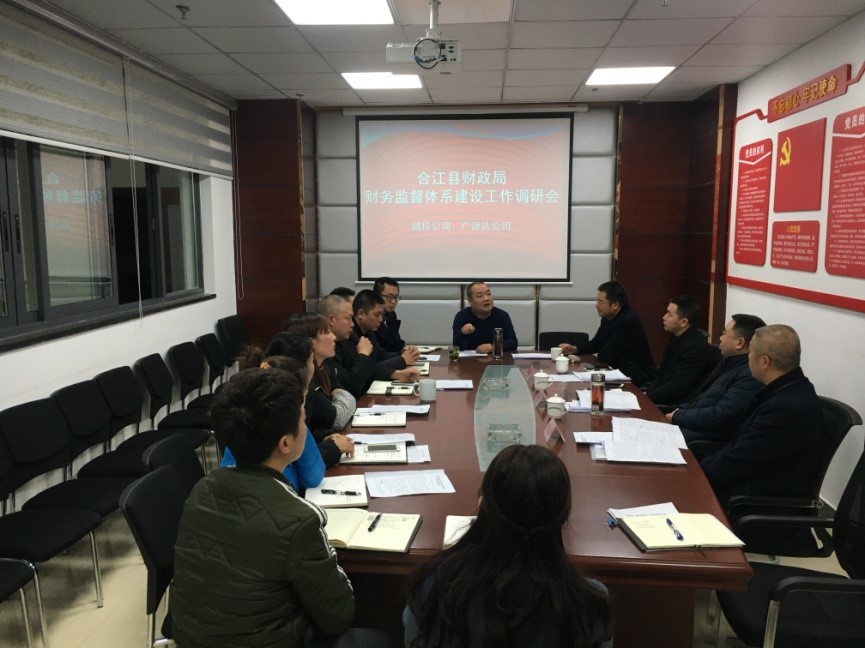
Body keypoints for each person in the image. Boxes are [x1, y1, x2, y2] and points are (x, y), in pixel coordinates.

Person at [170, 368, 358, 647]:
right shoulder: (300, 520)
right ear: (285, 443)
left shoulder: (202, 489)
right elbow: (338, 616)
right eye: (303, 419)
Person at [403, 444, 612, 648]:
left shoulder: (433, 587)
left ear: (483, 504)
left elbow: (413, 637)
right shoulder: (588, 606)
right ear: (562, 517)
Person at [700, 325, 828, 506]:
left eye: (750, 352)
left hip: (752, 502)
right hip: (747, 485)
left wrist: (697, 471)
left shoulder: (785, 409)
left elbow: (736, 464)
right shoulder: (792, 388)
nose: (748, 357)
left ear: (764, 361)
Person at [219, 352, 325, 493]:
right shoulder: (276, 479)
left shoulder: (242, 432)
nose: (304, 413)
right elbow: (313, 477)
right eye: (302, 404)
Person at [666, 314, 765, 454]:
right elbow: (702, 399)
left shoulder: (749, 376)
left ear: (739, 343)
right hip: (690, 427)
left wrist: (679, 416)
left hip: (701, 439)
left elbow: (721, 416)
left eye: (724, 333)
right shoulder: (727, 362)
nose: (720, 338)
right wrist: (680, 411)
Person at [283, 313, 357, 467]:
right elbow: (335, 418)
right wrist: (332, 448)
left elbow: (312, 429)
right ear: (310, 343)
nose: (333, 337)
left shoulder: (323, 368)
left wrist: (325, 437)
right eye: (326, 332)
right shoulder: (304, 386)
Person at [318, 293, 418, 398]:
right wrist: (363, 355)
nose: (352, 324)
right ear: (331, 319)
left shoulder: (347, 338)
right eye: (348, 318)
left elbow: (370, 369)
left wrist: (395, 373)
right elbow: (351, 388)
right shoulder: (327, 350)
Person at [559, 281, 656, 387]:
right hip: (619, 374)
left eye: (600, 302)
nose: (596, 305)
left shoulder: (627, 321)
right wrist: (574, 349)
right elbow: (596, 343)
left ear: (615, 305)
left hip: (637, 380)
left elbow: (605, 356)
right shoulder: (608, 317)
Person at [645, 295, 720, 405]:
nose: (664, 317)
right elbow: (663, 377)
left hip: (675, 405)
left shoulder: (695, 348)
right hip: (660, 397)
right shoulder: (677, 339)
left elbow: (677, 387)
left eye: (669, 314)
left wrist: (647, 398)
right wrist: (646, 394)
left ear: (683, 322)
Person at [452, 281, 518, 353]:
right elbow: (457, 346)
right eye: (480, 296)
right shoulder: (462, 316)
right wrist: (462, 332)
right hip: (470, 359)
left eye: (488, 294)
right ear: (470, 301)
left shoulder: (502, 315)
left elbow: (513, 342)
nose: (486, 299)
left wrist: (493, 347)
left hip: (495, 359)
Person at [373, 276, 408, 353]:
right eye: (389, 297)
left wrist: (406, 350)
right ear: (377, 296)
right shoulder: (371, 318)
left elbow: (397, 343)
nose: (393, 301)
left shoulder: (391, 315)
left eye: (396, 297)